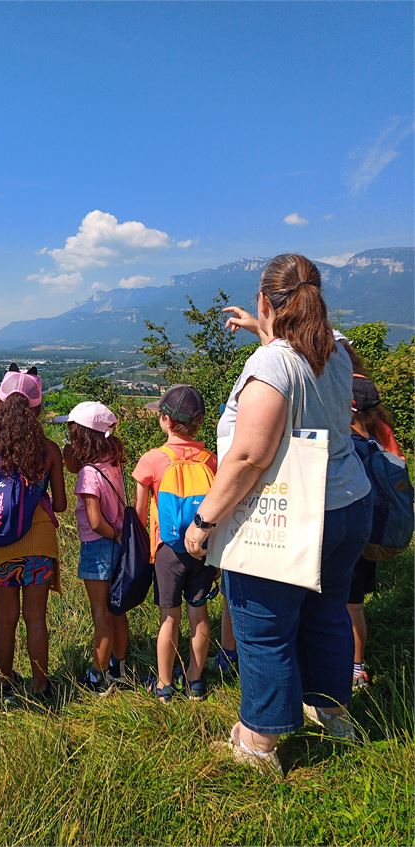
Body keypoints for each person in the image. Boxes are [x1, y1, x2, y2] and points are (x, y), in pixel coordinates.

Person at [184, 253, 372, 774]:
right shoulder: (336, 350)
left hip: (290, 516)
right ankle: (332, 713)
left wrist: (205, 522)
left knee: (264, 626)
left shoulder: (272, 364)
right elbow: (297, 368)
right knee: (328, 610)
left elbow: (250, 455)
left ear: (267, 300)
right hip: (347, 505)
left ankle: (261, 743)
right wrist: (262, 332)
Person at [0, 366, 66, 701]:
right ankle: (41, 686)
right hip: (38, 543)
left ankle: (5, 683)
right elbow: (61, 504)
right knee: (36, 617)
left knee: (5, 618)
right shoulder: (49, 450)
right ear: (37, 407)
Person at [133, 385, 218, 702]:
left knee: (169, 618)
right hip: (202, 547)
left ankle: (164, 685)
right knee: (200, 615)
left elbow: (140, 512)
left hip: (167, 551)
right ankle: (195, 681)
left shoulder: (153, 460)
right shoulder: (210, 461)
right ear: (199, 421)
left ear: (165, 420)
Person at [59, 401, 129, 692]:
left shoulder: (89, 473)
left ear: (83, 438)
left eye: (73, 435)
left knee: (99, 612)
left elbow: (96, 521)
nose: (69, 440)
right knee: (117, 610)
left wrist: (113, 535)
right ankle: (118, 667)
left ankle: (97, 676)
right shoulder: (113, 460)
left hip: (98, 545)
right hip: (116, 546)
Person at [348, 374, 404, 689]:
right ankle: (358, 667)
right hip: (369, 537)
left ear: (350, 407)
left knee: (342, 604)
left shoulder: (349, 449)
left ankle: (350, 668)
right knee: (355, 605)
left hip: (348, 538)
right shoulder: (375, 443)